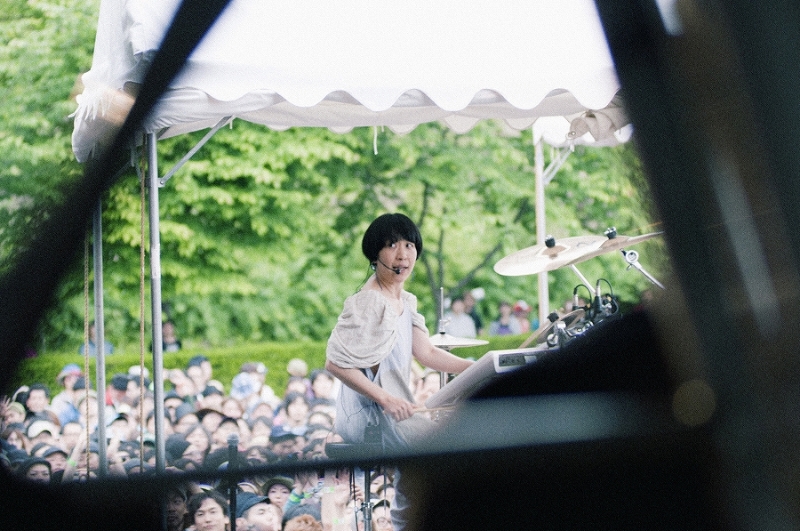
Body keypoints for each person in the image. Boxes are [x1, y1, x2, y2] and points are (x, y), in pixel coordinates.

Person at [325, 213, 473, 530]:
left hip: (392, 410)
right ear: (375, 254)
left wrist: (476, 367)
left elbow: (427, 353)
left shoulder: (405, 300)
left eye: (409, 245)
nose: (403, 254)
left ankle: (409, 520)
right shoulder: (368, 301)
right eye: (392, 245)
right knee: (441, 448)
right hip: (367, 414)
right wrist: (386, 399)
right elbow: (334, 363)